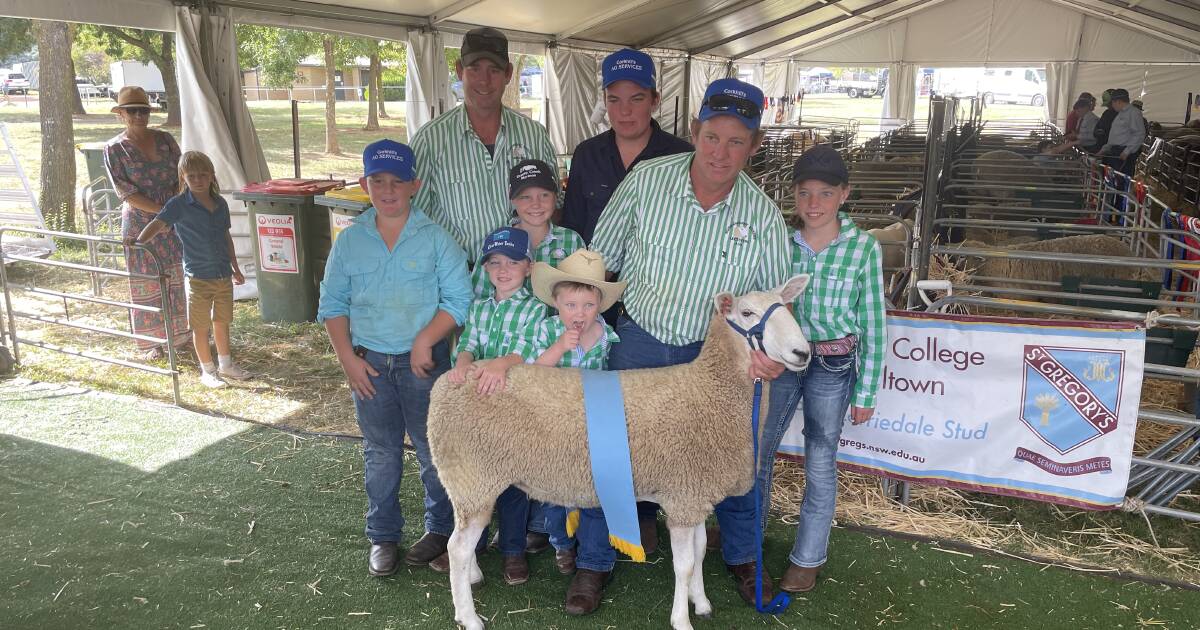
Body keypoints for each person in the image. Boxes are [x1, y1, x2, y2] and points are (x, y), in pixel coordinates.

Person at [577, 77, 790, 615]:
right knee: (612, 451)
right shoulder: (648, 181)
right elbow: (602, 255)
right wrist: (583, 319)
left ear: (755, 146)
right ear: (695, 132)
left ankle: (743, 558)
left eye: (737, 141)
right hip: (642, 341)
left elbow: (771, 303)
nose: (722, 152)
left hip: (714, 358)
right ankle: (594, 562)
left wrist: (765, 355)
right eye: (713, 137)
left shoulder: (762, 215)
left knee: (734, 455)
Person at [317, 139, 472, 578]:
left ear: (414, 185)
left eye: (397, 181)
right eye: (377, 181)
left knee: (433, 450)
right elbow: (332, 304)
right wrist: (347, 358)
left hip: (423, 365)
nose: (387, 190)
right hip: (368, 366)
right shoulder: (349, 242)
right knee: (381, 452)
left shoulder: (438, 239)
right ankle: (383, 536)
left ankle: (441, 532)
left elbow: (459, 300)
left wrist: (427, 338)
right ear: (365, 185)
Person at [760, 146, 887, 595]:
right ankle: (745, 536)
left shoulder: (863, 249)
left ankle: (807, 557)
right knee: (759, 447)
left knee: (820, 458)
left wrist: (867, 391)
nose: (814, 204)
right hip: (783, 357)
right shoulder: (779, 241)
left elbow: (873, 323)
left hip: (833, 362)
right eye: (805, 193)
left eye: (825, 194)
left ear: (844, 195)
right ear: (793, 194)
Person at [434, 226, 547, 585]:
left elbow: (531, 350)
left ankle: (513, 551)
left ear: (528, 267)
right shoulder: (480, 309)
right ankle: (475, 548)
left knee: (513, 484)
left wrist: (501, 363)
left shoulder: (536, 310)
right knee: (477, 480)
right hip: (480, 411)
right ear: (484, 268)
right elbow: (468, 342)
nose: (503, 269)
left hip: (514, 410)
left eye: (513, 262)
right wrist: (464, 361)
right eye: (495, 262)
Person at [410, 27, 557, 262]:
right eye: (474, 68)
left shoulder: (534, 135)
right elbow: (415, 220)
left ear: (508, 73)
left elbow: (554, 206)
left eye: (494, 70)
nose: (484, 80)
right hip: (459, 281)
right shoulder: (430, 141)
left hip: (525, 280)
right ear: (459, 71)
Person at [523, 249, 627, 574]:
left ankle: (591, 545)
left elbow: (610, 375)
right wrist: (560, 347)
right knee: (555, 489)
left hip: (590, 421)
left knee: (589, 486)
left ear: (600, 306)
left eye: (589, 306)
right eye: (570, 305)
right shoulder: (548, 331)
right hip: (554, 421)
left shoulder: (607, 335)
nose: (579, 313)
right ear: (557, 303)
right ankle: (561, 544)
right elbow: (534, 371)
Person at [127, 151, 248, 388]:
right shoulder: (178, 204)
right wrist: (139, 241)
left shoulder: (220, 203)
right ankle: (208, 370)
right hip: (197, 276)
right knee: (200, 325)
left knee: (222, 321)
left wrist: (235, 267)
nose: (198, 180)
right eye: (192, 176)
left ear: (212, 176)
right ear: (183, 178)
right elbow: (158, 223)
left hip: (222, 273)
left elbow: (226, 235)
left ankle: (226, 364)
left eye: (203, 175)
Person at [559, 48, 693, 245]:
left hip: (655, 275)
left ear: (655, 100)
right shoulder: (586, 154)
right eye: (614, 99)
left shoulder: (683, 156)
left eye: (636, 99)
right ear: (604, 100)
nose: (624, 111)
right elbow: (572, 227)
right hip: (592, 274)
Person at [103, 86, 189, 361]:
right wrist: (162, 212)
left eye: (143, 110)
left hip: (173, 217)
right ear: (121, 114)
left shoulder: (165, 140)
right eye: (132, 111)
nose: (139, 116)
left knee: (175, 276)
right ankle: (152, 341)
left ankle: (179, 336)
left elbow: (183, 175)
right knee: (145, 281)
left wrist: (174, 210)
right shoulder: (115, 148)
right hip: (141, 220)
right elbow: (125, 191)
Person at [469, 159, 583, 298]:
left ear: (556, 195)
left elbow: (584, 295)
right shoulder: (496, 240)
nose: (536, 204)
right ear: (512, 198)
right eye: (525, 197)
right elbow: (480, 296)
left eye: (544, 195)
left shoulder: (572, 240)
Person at [1100, 88, 1147, 177]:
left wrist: (1127, 151)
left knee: (1120, 182)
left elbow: (1139, 134)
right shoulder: (1121, 114)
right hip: (1115, 152)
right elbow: (1115, 135)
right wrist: (1105, 148)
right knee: (1110, 180)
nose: (1112, 106)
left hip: (1123, 154)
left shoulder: (1133, 113)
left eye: (1112, 103)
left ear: (1118, 101)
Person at [1092, 88, 1118, 154]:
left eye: (1109, 104)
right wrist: (1097, 131)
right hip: (1100, 147)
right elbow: (1098, 126)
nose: (1108, 106)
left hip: (1111, 152)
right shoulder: (1106, 113)